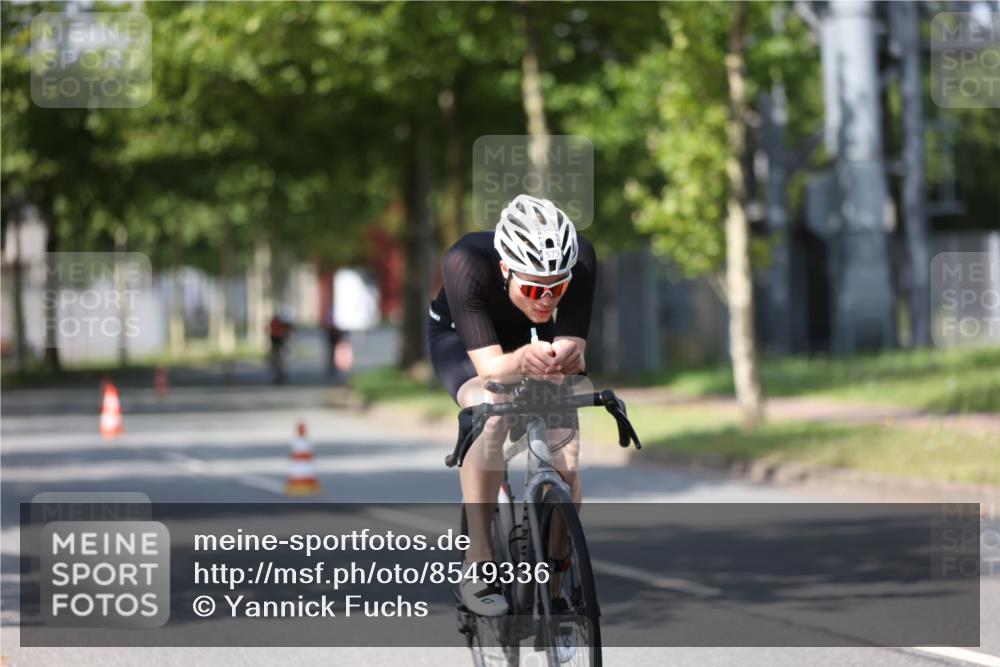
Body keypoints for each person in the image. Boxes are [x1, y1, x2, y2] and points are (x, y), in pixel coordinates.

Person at [427, 194, 596, 616]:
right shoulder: (465, 261)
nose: (546, 300)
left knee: (567, 461)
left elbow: (573, 348)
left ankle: (555, 580)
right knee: (491, 410)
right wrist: (520, 362)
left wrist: (565, 359)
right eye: (535, 288)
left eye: (557, 289)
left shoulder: (580, 260)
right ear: (505, 269)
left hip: (530, 341)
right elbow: (490, 369)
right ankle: (479, 560)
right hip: (461, 340)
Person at [268, 311, 294, 384]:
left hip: (278, 340)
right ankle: (279, 372)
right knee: (279, 358)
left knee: (279, 358)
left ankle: (280, 372)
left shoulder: (276, 322)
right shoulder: (280, 322)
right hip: (277, 340)